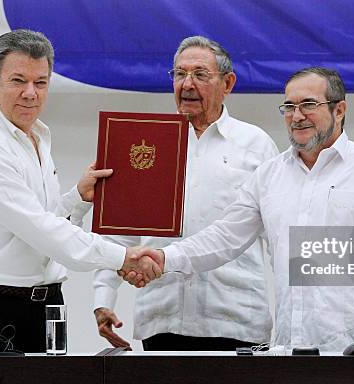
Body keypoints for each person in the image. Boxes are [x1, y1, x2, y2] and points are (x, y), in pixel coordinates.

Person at [126, 67, 354, 352]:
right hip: (293, 347)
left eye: (308, 105)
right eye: (289, 107)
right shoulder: (269, 176)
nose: (297, 116)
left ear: (339, 110)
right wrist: (164, 257)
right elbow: (224, 237)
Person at [0, 29, 159, 353]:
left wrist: (79, 198)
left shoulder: (38, 137)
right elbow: (41, 230)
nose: (31, 93)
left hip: (43, 307)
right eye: (18, 80)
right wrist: (122, 257)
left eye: (41, 82)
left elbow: (41, 227)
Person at [91, 36, 278, 351]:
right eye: (179, 74)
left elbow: (276, 235)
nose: (187, 84)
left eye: (200, 75)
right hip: (162, 317)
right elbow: (118, 231)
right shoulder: (144, 144)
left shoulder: (256, 146)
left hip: (236, 321)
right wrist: (103, 298)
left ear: (228, 83)